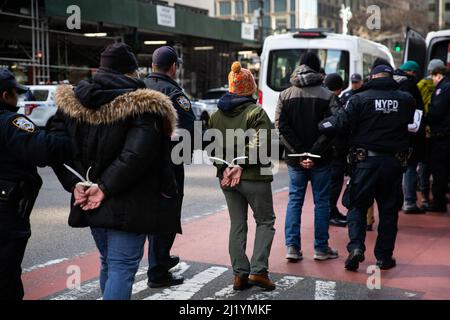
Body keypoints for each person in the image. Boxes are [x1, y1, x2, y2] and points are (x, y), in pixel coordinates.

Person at [52, 43, 179, 300]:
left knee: (109, 262)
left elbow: (55, 146)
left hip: (88, 199)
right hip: (130, 202)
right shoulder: (144, 105)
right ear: (131, 71)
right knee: (121, 266)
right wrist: (105, 187)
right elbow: (136, 154)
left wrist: (75, 184)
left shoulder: (73, 102)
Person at [320, 65, 416, 271]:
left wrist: (322, 125)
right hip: (393, 163)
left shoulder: (359, 99)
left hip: (365, 163)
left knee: (357, 206)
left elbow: (340, 124)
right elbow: (411, 125)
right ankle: (384, 257)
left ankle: (356, 247)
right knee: (389, 211)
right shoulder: (406, 99)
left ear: (371, 77)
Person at [0, 69, 72, 300]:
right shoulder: (10, 122)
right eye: (15, 94)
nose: (18, 99)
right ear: (4, 96)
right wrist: (64, 133)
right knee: (7, 273)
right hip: (7, 210)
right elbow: (43, 150)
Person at [209, 61, 276, 291]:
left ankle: (239, 275)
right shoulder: (256, 112)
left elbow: (210, 146)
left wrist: (224, 167)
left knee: (237, 223)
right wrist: (241, 163)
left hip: (227, 178)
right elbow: (262, 143)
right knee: (265, 221)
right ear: (250, 88)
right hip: (255, 176)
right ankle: (259, 271)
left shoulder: (215, 115)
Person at [276, 52, 339, 263]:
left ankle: (292, 247)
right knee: (321, 202)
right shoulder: (328, 95)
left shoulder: (284, 95)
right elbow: (334, 126)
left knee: (295, 200)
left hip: (295, 159)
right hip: (321, 159)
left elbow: (281, 128)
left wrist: (301, 152)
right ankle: (321, 249)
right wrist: (314, 152)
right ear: (318, 69)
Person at [144, 46, 196, 288]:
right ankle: (158, 269)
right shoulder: (174, 93)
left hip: (140, 162)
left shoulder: (140, 87)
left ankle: (159, 258)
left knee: (150, 212)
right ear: (173, 66)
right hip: (168, 164)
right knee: (167, 214)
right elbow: (188, 133)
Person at [394, 61, 426, 214]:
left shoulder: (391, 81)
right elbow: (417, 112)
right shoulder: (411, 85)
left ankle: (396, 201)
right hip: (410, 133)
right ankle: (409, 202)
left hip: (393, 133)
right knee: (410, 167)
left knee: (396, 167)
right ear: (412, 72)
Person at [417, 59, 445, 208]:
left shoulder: (422, 85)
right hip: (437, 131)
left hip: (430, 131)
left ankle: (429, 198)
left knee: (428, 166)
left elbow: (432, 110)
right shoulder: (442, 86)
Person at [324, 73, 348, 227]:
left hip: (324, 148)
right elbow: (340, 123)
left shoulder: (320, 97)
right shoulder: (334, 101)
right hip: (334, 148)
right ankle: (330, 212)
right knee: (334, 182)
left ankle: (331, 210)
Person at [426, 66, 450, 213]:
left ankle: (438, 203)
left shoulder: (443, 89)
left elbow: (437, 111)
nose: (433, 80)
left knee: (439, 170)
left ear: (439, 75)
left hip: (442, 136)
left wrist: (427, 119)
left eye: (433, 77)